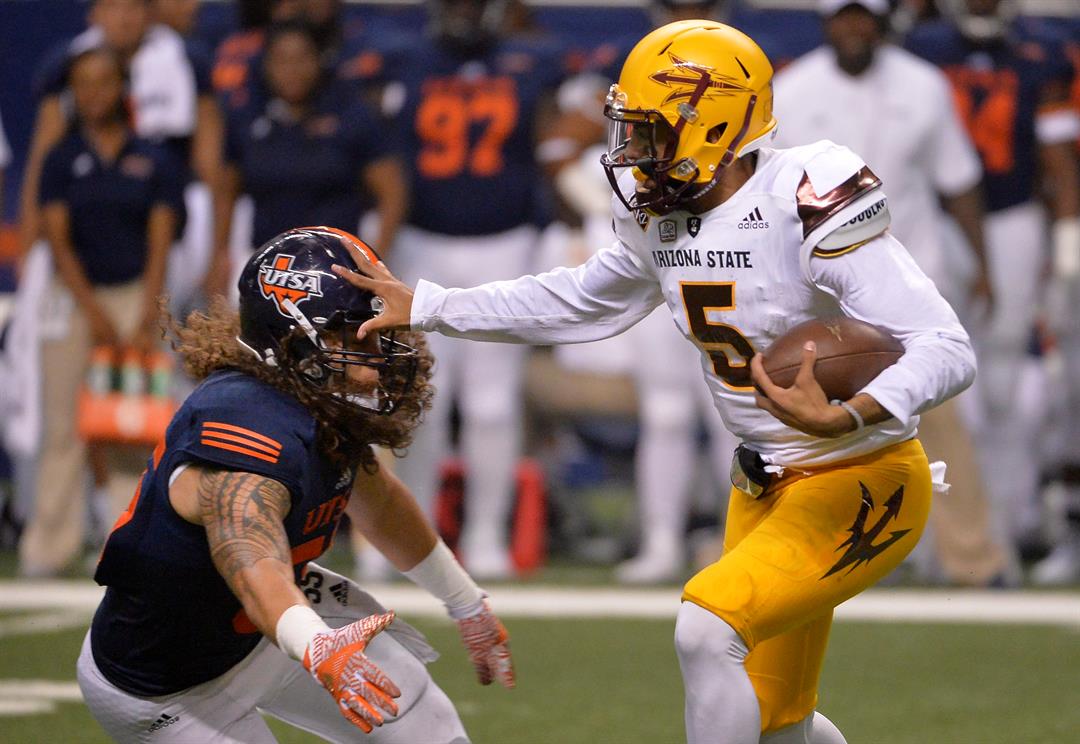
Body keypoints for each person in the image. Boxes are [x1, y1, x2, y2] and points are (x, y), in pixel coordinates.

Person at [334, 20, 977, 743]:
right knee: (777, 723)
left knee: (706, 630)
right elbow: (579, 298)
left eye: (648, 131)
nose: (630, 151)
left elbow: (947, 346)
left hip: (862, 474)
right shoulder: (659, 213)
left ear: (713, 124)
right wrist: (430, 306)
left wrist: (853, 412)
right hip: (765, 482)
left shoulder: (804, 196)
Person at [77, 226, 514, 743]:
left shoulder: (313, 398)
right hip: (168, 684)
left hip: (256, 629)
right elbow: (253, 567)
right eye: (354, 332)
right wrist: (320, 646)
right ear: (292, 340)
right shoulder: (245, 426)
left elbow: (378, 503)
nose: (374, 358)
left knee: (419, 713)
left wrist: (464, 601)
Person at [772, 0, 1012, 586]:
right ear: (827, 22)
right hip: (823, 286)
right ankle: (816, 555)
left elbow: (957, 180)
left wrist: (982, 264)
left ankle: (973, 560)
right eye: (845, 16)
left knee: (939, 415)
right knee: (809, 426)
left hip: (910, 278)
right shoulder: (792, 88)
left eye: (865, 17)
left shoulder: (923, 84)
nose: (855, 27)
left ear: (883, 23)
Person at [376, 0, 567, 579]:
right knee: (420, 401)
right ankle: (416, 538)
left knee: (491, 403)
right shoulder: (406, 62)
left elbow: (553, 143)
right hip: (420, 243)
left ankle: (486, 535)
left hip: (503, 243)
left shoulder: (531, 63)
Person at [906, 0, 1080, 580]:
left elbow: (1057, 156)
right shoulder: (923, 47)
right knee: (938, 376)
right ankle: (936, 537)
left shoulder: (1038, 54)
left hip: (1009, 216)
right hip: (936, 217)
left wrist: (1067, 238)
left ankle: (1004, 526)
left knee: (1005, 378)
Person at [18, 47, 183, 578]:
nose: (93, 94)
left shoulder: (152, 157)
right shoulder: (61, 157)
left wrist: (147, 313)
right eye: (82, 84)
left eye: (103, 81)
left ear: (123, 87)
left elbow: (161, 241)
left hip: (136, 292)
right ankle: (48, 546)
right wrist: (92, 309)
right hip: (73, 297)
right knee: (63, 423)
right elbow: (58, 240)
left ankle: (128, 540)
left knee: (134, 425)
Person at [207, 20, 407, 300]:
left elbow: (392, 191)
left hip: (335, 272)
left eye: (302, 59)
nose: (292, 70)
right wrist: (219, 255)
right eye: (282, 60)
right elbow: (226, 189)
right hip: (267, 266)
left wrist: (375, 265)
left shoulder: (350, 113)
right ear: (265, 64)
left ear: (319, 61)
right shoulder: (247, 115)